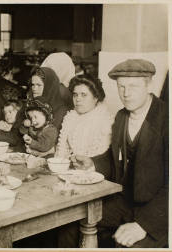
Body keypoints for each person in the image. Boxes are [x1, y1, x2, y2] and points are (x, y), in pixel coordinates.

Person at [66, 59, 168, 248]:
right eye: (121, 87)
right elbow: (114, 159)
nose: (126, 93)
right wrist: (92, 163)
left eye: (133, 86)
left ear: (149, 85)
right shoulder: (122, 117)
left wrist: (144, 225)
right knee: (70, 223)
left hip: (159, 211)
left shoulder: (166, 119)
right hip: (125, 202)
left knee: (129, 246)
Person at [55, 74, 113, 159]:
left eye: (83, 95)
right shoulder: (71, 117)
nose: (78, 99)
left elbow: (100, 157)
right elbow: (62, 149)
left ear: (96, 97)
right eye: (75, 95)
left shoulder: (105, 120)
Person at [28, 67, 73, 131]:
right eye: (33, 85)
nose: (34, 88)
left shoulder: (61, 111)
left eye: (39, 85)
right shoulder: (33, 103)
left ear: (49, 87)